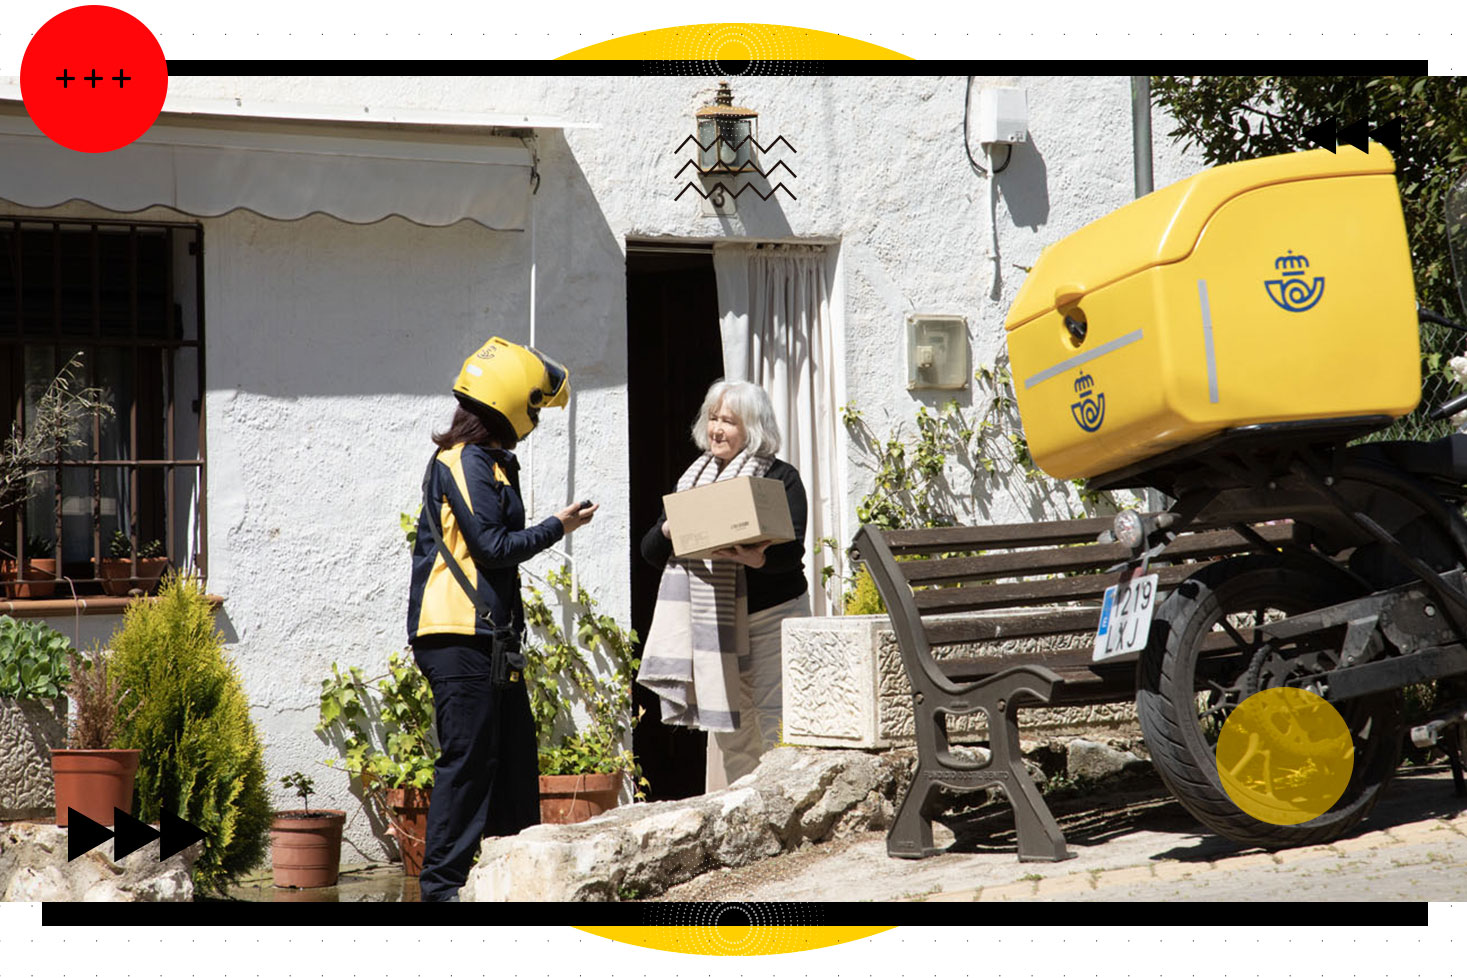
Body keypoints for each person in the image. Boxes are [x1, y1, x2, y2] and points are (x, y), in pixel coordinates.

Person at [405, 336, 597, 903]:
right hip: (456, 635)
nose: (533, 417)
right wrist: (556, 527)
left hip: (490, 638)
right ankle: (439, 892)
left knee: (514, 760)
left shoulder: (490, 462)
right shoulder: (462, 460)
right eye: (532, 405)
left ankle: (513, 881)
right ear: (509, 402)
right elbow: (490, 545)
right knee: (466, 761)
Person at [637, 379, 810, 785]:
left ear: (753, 428)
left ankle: (785, 809)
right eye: (713, 418)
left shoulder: (781, 479)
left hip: (773, 617)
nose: (716, 429)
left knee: (775, 721)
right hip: (716, 623)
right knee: (732, 734)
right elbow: (650, 550)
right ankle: (744, 818)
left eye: (728, 421)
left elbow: (793, 551)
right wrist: (668, 529)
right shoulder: (695, 481)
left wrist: (758, 558)